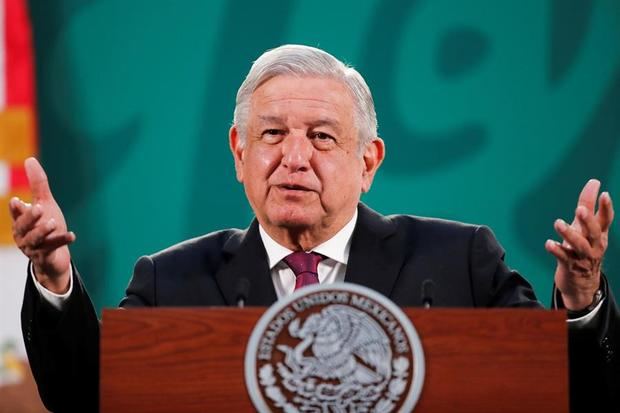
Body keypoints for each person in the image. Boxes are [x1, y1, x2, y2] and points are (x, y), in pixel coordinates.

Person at [9, 45, 618, 413]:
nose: (294, 158)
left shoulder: (459, 260)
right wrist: (53, 279)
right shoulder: (172, 279)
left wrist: (583, 298)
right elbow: (87, 400)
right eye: (273, 134)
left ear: (369, 162)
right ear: (239, 153)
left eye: (322, 137)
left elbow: (565, 393)